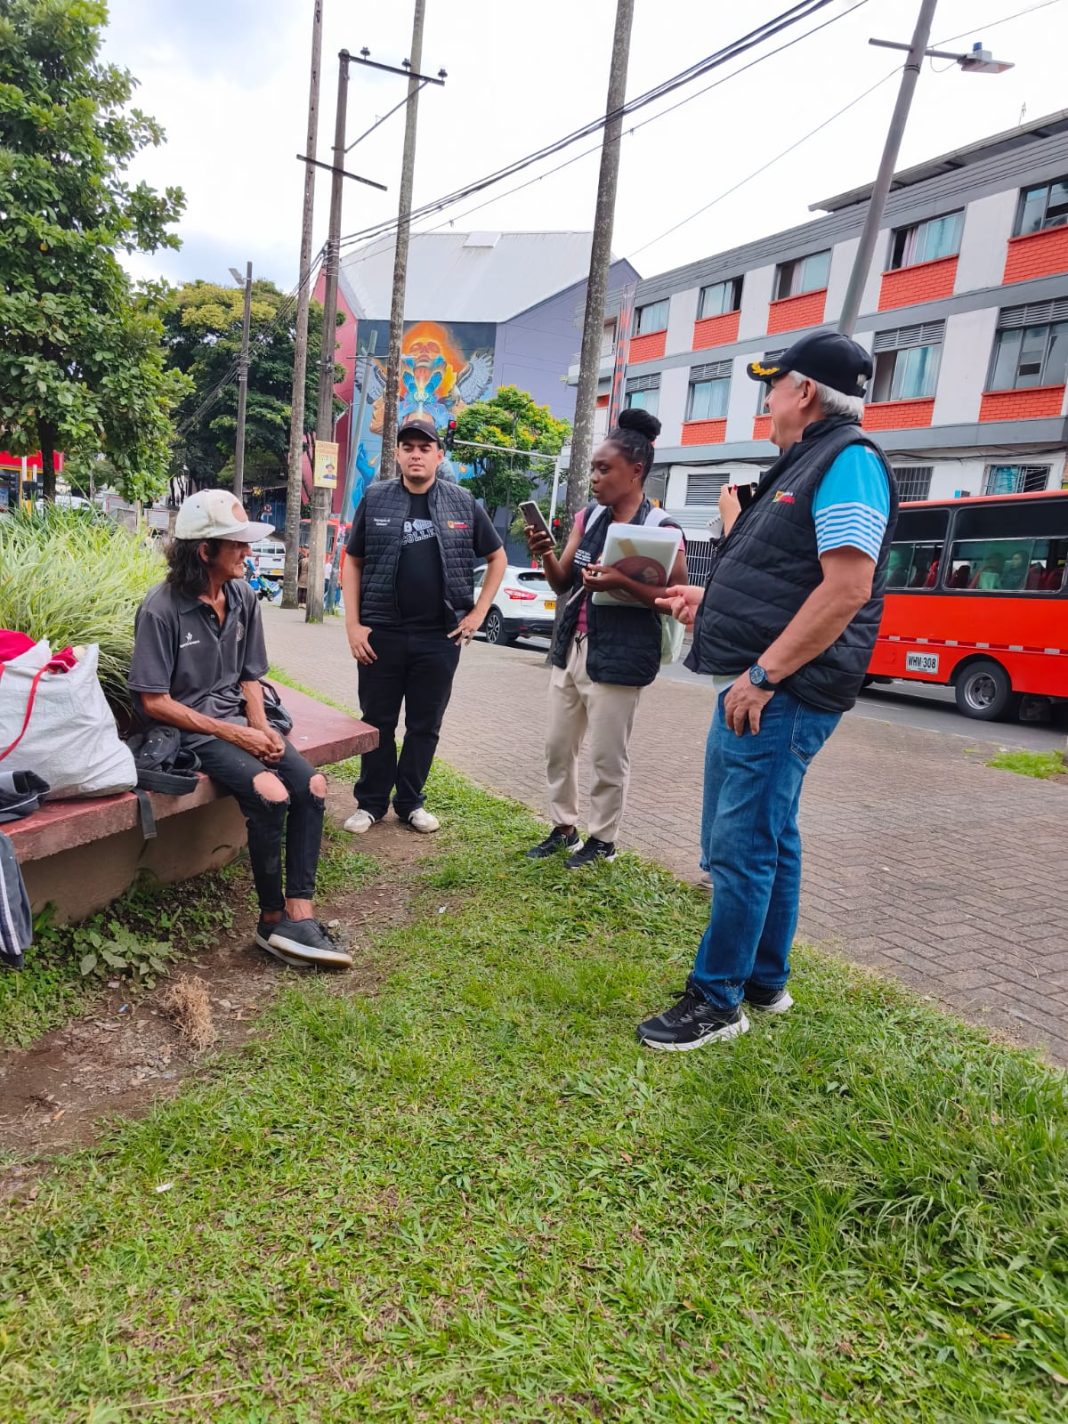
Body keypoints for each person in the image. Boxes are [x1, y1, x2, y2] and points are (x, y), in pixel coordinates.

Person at [636, 332, 898, 1050]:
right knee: (770, 836)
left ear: (805, 391)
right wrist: (707, 597)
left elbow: (848, 587)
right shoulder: (808, 462)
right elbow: (788, 582)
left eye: (774, 384)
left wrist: (762, 675)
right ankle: (763, 981)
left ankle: (716, 1001)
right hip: (771, 685)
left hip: (779, 692)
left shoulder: (847, 461)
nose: (768, 398)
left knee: (740, 845)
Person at [128, 489, 351, 969]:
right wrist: (236, 735)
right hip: (191, 732)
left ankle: (300, 912)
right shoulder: (160, 609)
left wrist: (259, 725)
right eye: (238, 545)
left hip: (238, 721)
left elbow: (250, 675)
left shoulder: (244, 597)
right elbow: (153, 701)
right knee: (271, 795)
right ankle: (271, 923)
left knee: (310, 784)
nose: (248, 554)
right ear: (204, 551)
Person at [523, 408, 687, 869]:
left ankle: (603, 839)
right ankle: (563, 826)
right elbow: (561, 583)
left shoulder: (662, 529)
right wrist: (547, 553)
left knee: (607, 756)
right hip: (570, 648)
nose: (594, 477)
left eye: (603, 468)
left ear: (635, 471)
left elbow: (675, 598)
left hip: (619, 656)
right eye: (593, 467)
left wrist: (622, 581)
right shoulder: (588, 516)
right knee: (559, 745)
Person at [340, 416, 507, 835]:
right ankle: (371, 803)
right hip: (381, 635)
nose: (416, 454)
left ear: (438, 455)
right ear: (397, 454)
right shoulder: (376, 499)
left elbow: (497, 558)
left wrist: (478, 613)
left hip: (440, 636)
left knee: (424, 725)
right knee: (376, 721)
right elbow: (353, 561)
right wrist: (353, 626)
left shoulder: (463, 502)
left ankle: (411, 803)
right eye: (408, 447)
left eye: (424, 448)